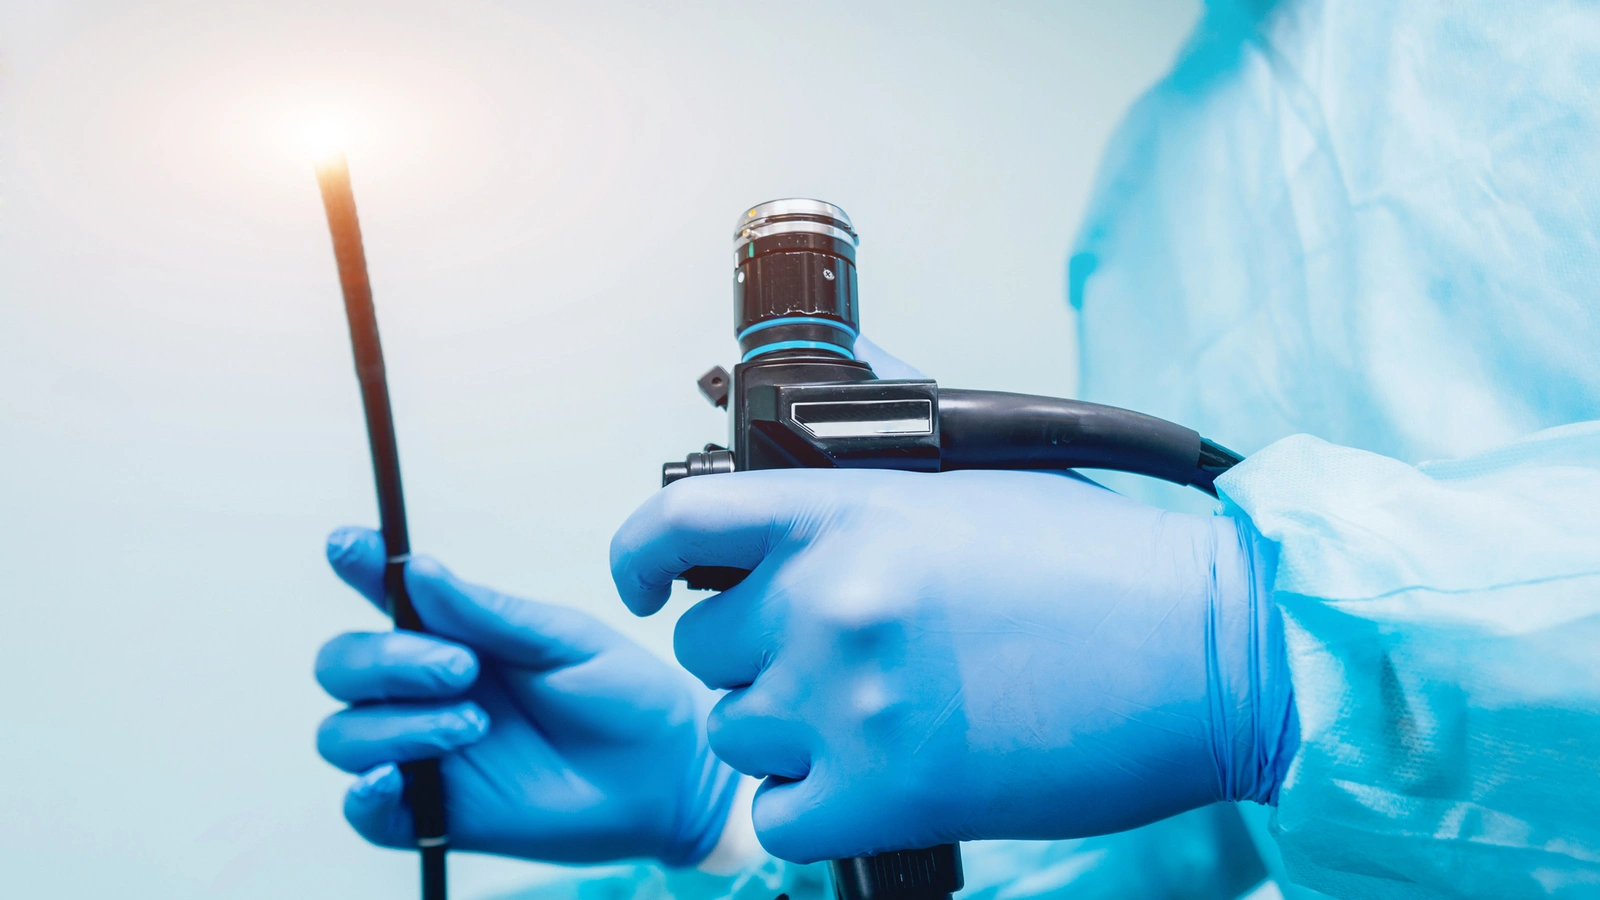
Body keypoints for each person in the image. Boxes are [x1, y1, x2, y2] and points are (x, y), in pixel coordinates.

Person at [317, 2, 1600, 898]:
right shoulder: (1154, 189)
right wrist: (726, 820)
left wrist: (1256, 639)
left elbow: (1252, 695)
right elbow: (1203, 840)